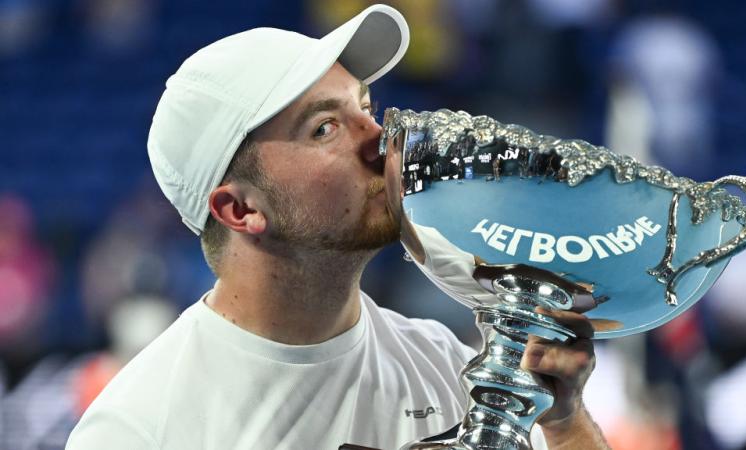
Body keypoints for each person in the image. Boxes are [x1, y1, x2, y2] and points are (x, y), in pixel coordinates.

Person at [66, 5, 608, 449]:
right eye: (325, 127)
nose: (379, 136)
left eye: (367, 107)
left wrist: (564, 424)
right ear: (240, 211)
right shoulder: (138, 429)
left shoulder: (447, 363)